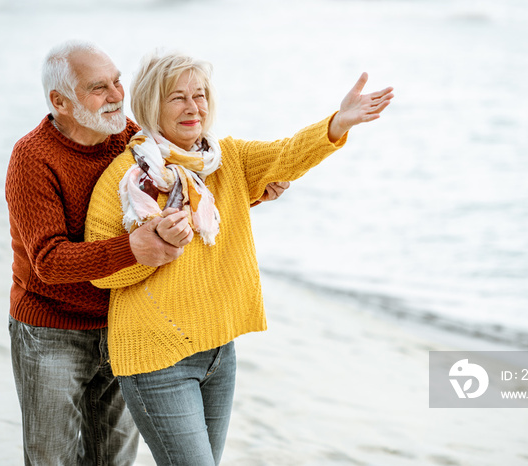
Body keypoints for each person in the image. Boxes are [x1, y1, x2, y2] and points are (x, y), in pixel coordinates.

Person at [84, 52, 394, 465]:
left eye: (200, 95)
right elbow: (100, 275)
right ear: (151, 106)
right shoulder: (124, 178)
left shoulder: (227, 161)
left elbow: (289, 154)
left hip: (218, 352)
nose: (194, 107)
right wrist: (153, 246)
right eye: (178, 97)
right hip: (155, 358)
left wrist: (338, 123)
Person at [5, 40, 288, 466]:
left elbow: (180, 197)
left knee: (113, 458)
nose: (118, 95)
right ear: (59, 101)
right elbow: (49, 261)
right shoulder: (33, 158)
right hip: (53, 331)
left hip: (124, 326)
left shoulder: (132, 138)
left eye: (117, 81)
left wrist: (253, 195)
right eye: (98, 88)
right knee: (51, 457)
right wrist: (131, 248)